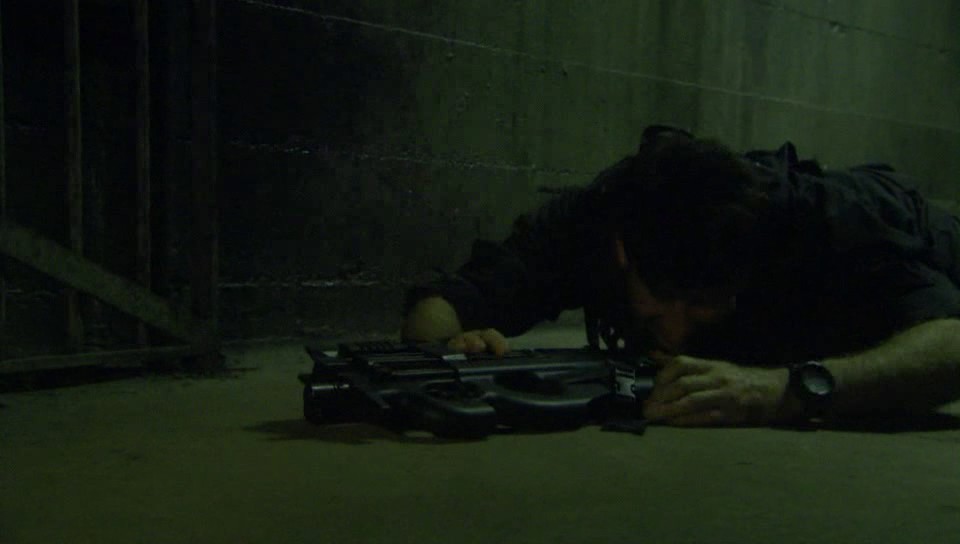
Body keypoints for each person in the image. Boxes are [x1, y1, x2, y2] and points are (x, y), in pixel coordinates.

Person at [400, 125, 960, 427]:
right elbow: (443, 303)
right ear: (623, 253)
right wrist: (451, 353)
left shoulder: (826, 227)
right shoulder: (598, 220)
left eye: (703, 305)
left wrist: (785, 392)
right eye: (661, 301)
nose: (675, 331)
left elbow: (949, 346)